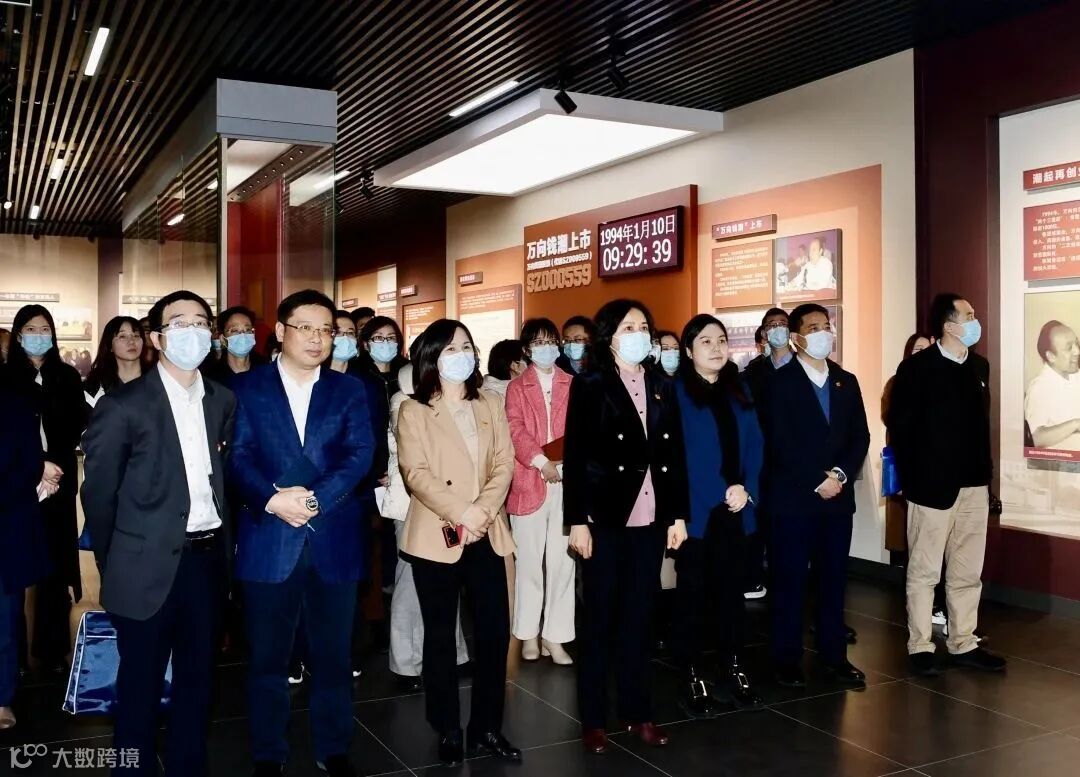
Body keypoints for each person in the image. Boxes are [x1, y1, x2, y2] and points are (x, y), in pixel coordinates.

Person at [81, 290, 235, 777]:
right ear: (157, 338)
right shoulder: (123, 406)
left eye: (201, 323)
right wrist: (114, 562)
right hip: (142, 566)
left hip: (206, 561)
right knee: (140, 686)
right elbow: (98, 495)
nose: (193, 332)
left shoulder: (223, 400)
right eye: (179, 323)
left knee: (198, 681)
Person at [229, 290, 374, 777]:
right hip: (268, 538)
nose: (317, 338)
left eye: (326, 330)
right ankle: (268, 753)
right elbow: (236, 456)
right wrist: (272, 499)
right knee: (267, 659)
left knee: (333, 656)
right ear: (281, 331)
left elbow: (360, 453)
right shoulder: (245, 388)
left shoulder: (348, 390)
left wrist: (314, 500)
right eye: (306, 327)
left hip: (334, 538)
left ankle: (334, 748)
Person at [564, 299, 689, 754]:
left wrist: (678, 515)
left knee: (640, 618)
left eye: (643, 326)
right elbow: (576, 456)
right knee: (599, 620)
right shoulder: (591, 384)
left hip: (651, 518)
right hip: (605, 517)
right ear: (609, 336)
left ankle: (639, 713)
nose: (639, 334)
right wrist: (577, 521)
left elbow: (674, 456)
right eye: (628, 327)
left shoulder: (662, 384)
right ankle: (594, 719)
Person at [395, 318, 519, 767]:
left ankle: (486, 728)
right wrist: (462, 512)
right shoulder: (413, 410)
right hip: (438, 534)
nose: (460, 355)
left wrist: (481, 511)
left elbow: (504, 462)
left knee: (493, 633)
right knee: (440, 637)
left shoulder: (490, 402)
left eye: (466, 347)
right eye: (450, 349)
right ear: (431, 357)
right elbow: (416, 473)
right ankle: (447, 727)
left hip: (487, 532)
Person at [888, 293, 1006, 677]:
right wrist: (913, 480)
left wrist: (987, 480)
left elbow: (980, 428)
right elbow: (901, 430)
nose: (975, 320)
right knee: (924, 571)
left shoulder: (979, 366)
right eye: (969, 315)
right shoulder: (916, 369)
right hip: (931, 488)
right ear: (949, 325)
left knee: (967, 571)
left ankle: (963, 641)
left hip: (973, 486)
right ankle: (920, 644)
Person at [761, 302, 869, 688]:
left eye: (827, 325)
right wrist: (815, 479)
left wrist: (840, 474)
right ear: (796, 337)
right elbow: (777, 441)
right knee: (789, 581)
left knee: (833, 580)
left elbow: (860, 436)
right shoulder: (778, 383)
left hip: (837, 499)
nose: (824, 333)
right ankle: (786, 659)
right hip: (793, 500)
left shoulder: (845, 381)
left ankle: (834, 656)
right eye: (813, 327)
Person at [672, 314, 763, 716]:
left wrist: (747, 489)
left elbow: (756, 446)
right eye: (705, 341)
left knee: (731, 596)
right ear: (688, 350)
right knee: (692, 596)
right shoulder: (674, 393)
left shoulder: (739, 389)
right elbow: (676, 457)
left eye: (721, 340)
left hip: (737, 508)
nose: (716, 347)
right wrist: (720, 491)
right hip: (696, 511)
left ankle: (734, 666)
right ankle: (691, 672)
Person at [5, 305, 87, 674]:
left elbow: (77, 422)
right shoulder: (6, 377)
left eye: (45, 329)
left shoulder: (65, 376)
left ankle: (52, 649)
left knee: (55, 565)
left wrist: (53, 464)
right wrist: (36, 464)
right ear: (18, 334)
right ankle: (15, 657)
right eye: (30, 329)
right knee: (18, 568)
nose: (38, 335)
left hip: (59, 480)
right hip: (17, 482)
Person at [382, 361, 470, 691]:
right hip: (413, 506)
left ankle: (455, 654)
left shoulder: (455, 390)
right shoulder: (406, 394)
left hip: (452, 504)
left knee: (450, 578)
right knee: (409, 584)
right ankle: (406, 663)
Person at [505, 318, 575, 665]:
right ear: (527, 349)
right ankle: (528, 634)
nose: (546, 348)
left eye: (551, 341)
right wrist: (540, 461)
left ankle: (556, 636)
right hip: (530, 480)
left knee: (563, 564)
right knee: (530, 564)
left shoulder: (573, 383)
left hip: (567, 479)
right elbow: (514, 429)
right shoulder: (517, 388)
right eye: (538, 342)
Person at [0, 384, 49, 731]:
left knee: (4, 619)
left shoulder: (13, 404)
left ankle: (1, 696)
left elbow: (29, 463)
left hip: (4, 523)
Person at [741, 307, 792, 601]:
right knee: (759, 522)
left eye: (782, 324)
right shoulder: (753, 372)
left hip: (794, 461)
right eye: (772, 325)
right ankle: (754, 578)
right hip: (761, 460)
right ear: (763, 333)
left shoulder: (803, 367)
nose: (777, 329)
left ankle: (787, 581)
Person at [881, 333, 932, 561]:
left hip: (932, 469)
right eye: (918, 349)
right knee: (903, 532)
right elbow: (889, 417)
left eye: (928, 349)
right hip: (904, 463)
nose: (924, 354)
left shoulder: (940, 383)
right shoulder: (896, 382)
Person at [1025, 320, 1080, 450]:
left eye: (1076, 343)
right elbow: (1035, 438)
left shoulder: (1076, 374)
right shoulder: (1039, 388)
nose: (1077, 351)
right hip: (1060, 461)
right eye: (1069, 348)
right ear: (1051, 357)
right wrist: (1075, 424)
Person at [83, 316, 144, 408]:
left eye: (136, 335)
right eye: (122, 336)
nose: (131, 341)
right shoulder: (94, 389)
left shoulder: (156, 380)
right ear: (110, 345)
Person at [203, 306, 263, 388]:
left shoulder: (265, 371)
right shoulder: (212, 378)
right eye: (235, 330)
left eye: (248, 330)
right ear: (223, 339)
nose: (242, 335)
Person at [357, 315, 408, 401]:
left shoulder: (407, 371)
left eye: (391, 338)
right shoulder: (355, 374)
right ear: (366, 344)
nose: (385, 342)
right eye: (378, 337)